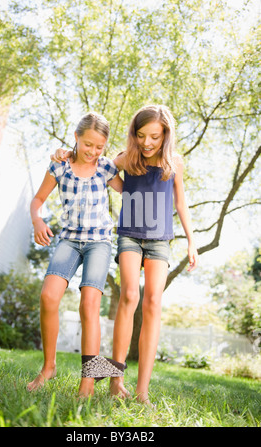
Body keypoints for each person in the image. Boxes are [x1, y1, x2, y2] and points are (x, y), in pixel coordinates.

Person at [51, 104, 198, 405]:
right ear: (134, 134)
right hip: (129, 236)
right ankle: (115, 380)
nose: (147, 143)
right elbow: (91, 161)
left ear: (165, 135)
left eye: (155, 137)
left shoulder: (175, 163)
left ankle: (142, 390)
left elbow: (181, 204)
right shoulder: (126, 158)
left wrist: (192, 242)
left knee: (154, 301)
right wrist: (67, 152)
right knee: (130, 295)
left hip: (160, 241)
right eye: (142, 136)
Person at [27, 112, 124, 398]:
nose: (93, 152)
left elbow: (131, 189)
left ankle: (89, 380)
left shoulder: (106, 168)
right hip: (69, 240)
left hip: (99, 243)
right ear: (76, 138)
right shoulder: (60, 166)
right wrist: (37, 220)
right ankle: (48, 367)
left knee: (90, 305)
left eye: (99, 147)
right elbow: (37, 200)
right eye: (88, 145)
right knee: (48, 297)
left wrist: (125, 158)